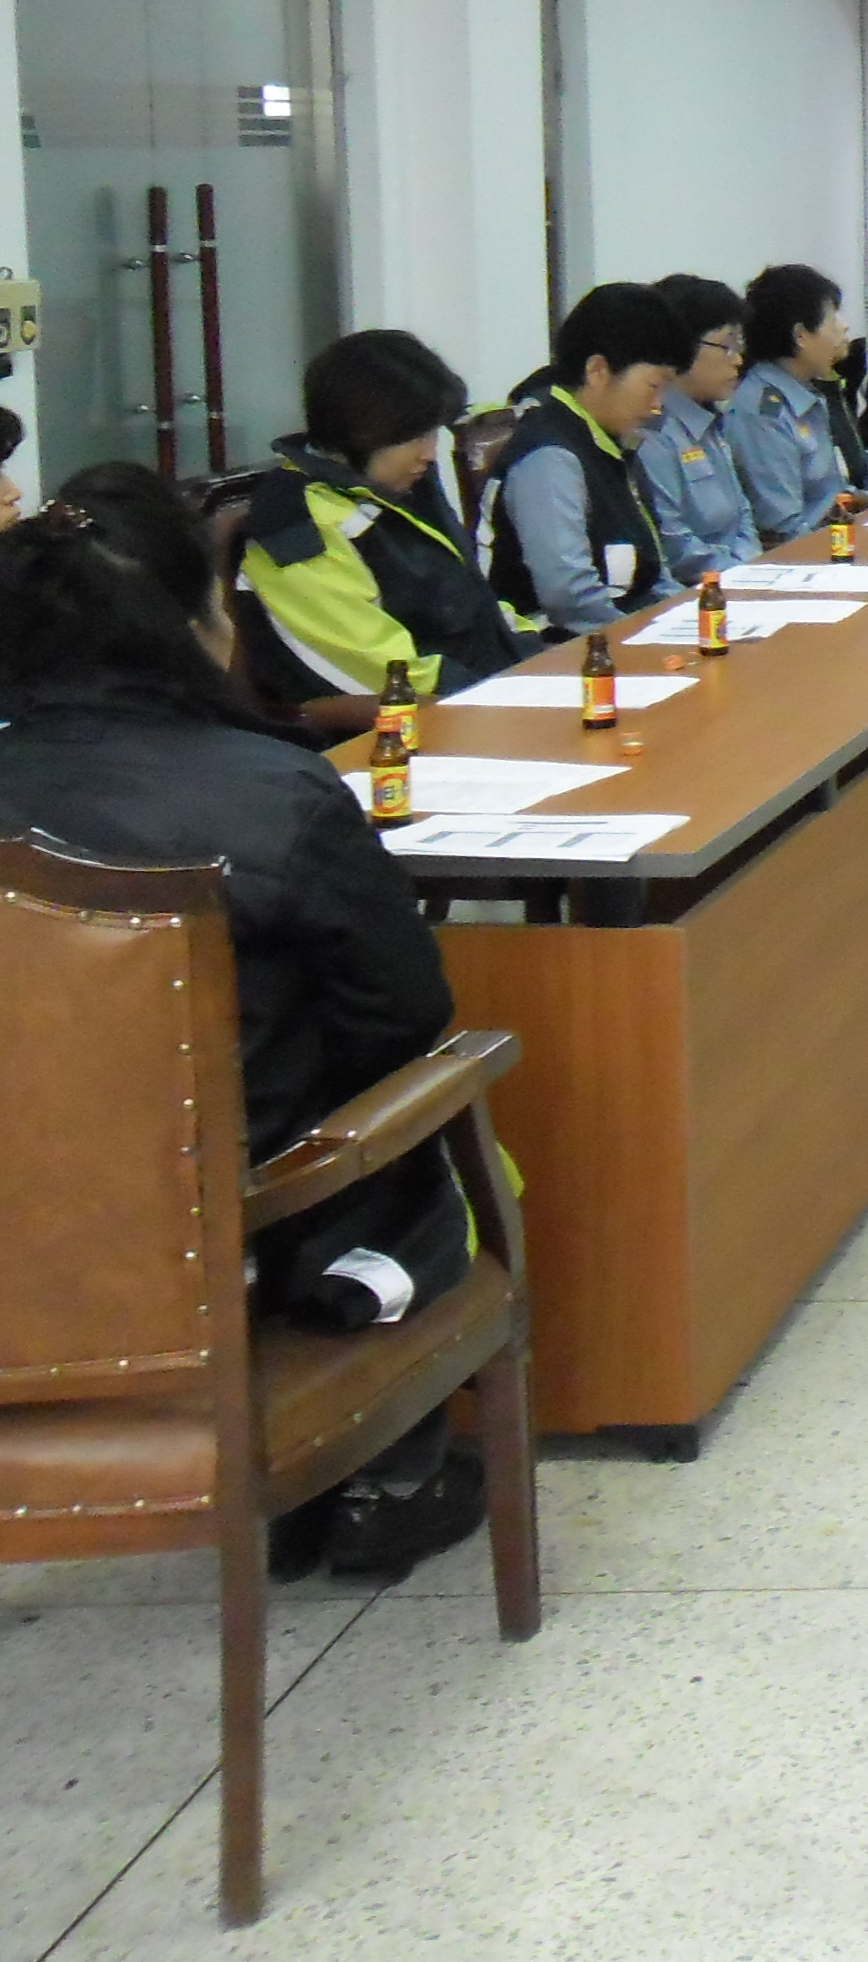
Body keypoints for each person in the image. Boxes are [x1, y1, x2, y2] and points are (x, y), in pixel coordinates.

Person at [0, 467, 487, 1577]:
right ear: (195, 628)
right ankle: (383, 1481)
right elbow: (405, 1016)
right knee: (425, 1132)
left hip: (19, 1239)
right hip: (233, 1231)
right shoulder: (273, 794)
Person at [239, 329, 530, 712]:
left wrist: (536, 654)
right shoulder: (297, 525)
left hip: (487, 694)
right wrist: (503, 698)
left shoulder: (396, 487)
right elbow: (382, 672)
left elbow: (471, 599)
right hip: (420, 724)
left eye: (432, 434)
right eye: (416, 437)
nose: (430, 454)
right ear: (362, 431)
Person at [485, 281, 686, 634]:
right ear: (597, 370)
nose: (658, 406)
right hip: (561, 646)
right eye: (654, 386)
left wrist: (685, 617)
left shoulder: (608, 440)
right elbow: (569, 597)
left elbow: (652, 569)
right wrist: (651, 638)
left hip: (626, 629)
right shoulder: (551, 457)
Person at [726, 264, 868, 541]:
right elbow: (784, 527)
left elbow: (838, 484)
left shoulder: (808, 391)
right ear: (800, 335)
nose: (843, 326)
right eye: (832, 319)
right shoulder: (763, 412)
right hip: (812, 550)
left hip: (841, 533)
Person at [631, 274, 761, 586]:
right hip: (697, 589)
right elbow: (674, 544)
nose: (738, 359)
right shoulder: (653, 432)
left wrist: (753, 567)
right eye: (726, 346)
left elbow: (743, 514)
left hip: (742, 577)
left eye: (739, 345)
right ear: (681, 346)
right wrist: (743, 574)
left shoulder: (712, 420)